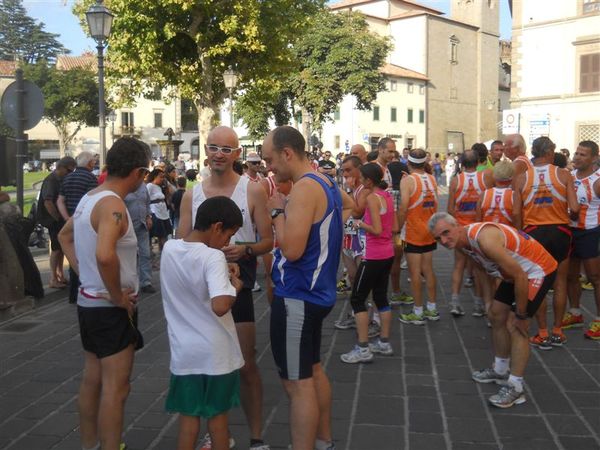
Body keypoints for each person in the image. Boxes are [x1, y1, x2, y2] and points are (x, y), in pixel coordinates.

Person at [177, 126, 273, 450]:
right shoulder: (193, 193)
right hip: (202, 288)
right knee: (208, 366)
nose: (218, 153)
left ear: (237, 154)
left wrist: (245, 249)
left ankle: (256, 436)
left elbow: (268, 241)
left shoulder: (253, 190)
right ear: (206, 150)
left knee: (245, 363)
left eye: (226, 149)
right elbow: (181, 242)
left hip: (238, 282)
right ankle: (217, 432)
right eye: (213, 147)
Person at [262, 125, 352, 450]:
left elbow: (292, 250)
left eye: (269, 159)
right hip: (319, 293)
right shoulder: (324, 180)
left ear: (287, 153)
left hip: (298, 296)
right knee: (312, 370)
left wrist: (277, 212)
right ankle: (324, 440)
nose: (269, 167)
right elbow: (350, 204)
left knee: (296, 385)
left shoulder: (302, 190)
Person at [58, 137, 151, 450]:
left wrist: (84, 276)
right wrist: (116, 296)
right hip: (109, 308)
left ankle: (89, 445)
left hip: (89, 303)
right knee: (116, 387)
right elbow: (105, 255)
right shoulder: (113, 205)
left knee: (93, 380)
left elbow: (64, 236)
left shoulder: (90, 197)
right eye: (146, 173)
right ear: (138, 172)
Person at [429, 213, 557, 408]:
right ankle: (500, 369)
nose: (444, 241)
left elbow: (521, 275)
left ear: (458, 226)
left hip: (536, 270)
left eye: (446, 233)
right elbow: (483, 269)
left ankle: (516, 387)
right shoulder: (462, 243)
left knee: (517, 326)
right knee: (496, 315)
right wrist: (488, 301)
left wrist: (522, 314)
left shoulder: (484, 239)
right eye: (439, 238)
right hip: (513, 272)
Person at [161, 196, 244, 450]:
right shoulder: (212, 257)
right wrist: (235, 288)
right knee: (218, 421)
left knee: (188, 419)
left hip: (185, 352)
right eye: (228, 235)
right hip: (216, 353)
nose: (227, 243)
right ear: (217, 226)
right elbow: (220, 305)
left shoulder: (169, 248)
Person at [514, 136, 579, 349]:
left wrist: (520, 233)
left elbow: (516, 213)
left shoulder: (522, 178)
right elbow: (575, 208)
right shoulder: (564, 174)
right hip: (560, 231)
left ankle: (542, 332)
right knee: (560, 282)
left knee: (539, 280)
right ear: (550, 152)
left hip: (534, 233)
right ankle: (557, 332)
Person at [340, 163, 397, 363]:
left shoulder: (372, 198)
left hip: (373, 255)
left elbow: (378, 230)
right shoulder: (388, 196)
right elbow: (394, 226)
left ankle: (363, 347)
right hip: (388, 253)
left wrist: (361, 224)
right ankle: (384, 342)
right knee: (381, 297)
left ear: (369, 181)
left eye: (362, 178)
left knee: (357, 299)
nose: (360, 181)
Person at [447, 149, 492, 316]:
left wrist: (456, 225)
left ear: (462, 163)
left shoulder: (456, 180)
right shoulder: (486, 177)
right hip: (479, 230)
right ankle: (479, 305)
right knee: (480, 268)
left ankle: (454, 302)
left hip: (461, 229)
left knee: (459, 265)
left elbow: (450, 208)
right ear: (478, 161)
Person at [397, 148, 439, 325]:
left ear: (408, 162)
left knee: (415, 272)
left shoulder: (408, 181)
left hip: (413, 230)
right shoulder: (432, 178)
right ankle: (432, 308)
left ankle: (418, 311)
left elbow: (404, 207)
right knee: (428, 270)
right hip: (429, 230)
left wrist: (397, 228)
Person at [564, 140, 600, 340]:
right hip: (570, 231)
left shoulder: (598, 180)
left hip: (591, 232)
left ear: (594, 158)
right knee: (571, 276)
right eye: (576, 153)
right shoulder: (568, 176)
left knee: (595, 278)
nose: (577, 157)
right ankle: (575, 313)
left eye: (583, 154)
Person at [57, 151, 99, 304]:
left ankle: (72, 295)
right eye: (93, 162)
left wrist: (67, 218)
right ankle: (85, 290)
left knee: (72, 255)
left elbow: (60, 200)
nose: (94, 164)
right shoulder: (90, 178)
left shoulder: (67, 178)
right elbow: (93, 201)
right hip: (84, 223)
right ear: (89, 164)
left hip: (69, 222)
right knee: (84, 256)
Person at [36, 156, 76, 289]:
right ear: (61, 167)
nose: (70, 174)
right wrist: (57, 218)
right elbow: (48, 202)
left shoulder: (59, 179)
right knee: (56, 249)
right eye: (69, 171)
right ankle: (53, 278)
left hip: (56, 219)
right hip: (53, 220)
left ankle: (60, 275)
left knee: (60, 248)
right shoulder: (51, 180)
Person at [124, 179, 156, 294]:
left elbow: (147, 203)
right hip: (127, 227)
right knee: (128, 256)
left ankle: (146, 282)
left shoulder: (143, 186)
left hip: (142, 225)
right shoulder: (124, 184)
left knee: (145, 254)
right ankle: (128, 283)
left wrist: (148, 216)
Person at [146, 168, 173, 253]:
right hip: (155, 211)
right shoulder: (149, 186)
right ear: (155, 176)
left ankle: (163, 252)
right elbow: (146, 200)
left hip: (163, 212)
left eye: (163, 177)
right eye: (160, 177)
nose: (162, 179)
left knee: (165, 233)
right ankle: (153, 251)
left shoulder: (160, 187)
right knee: (159, 233)